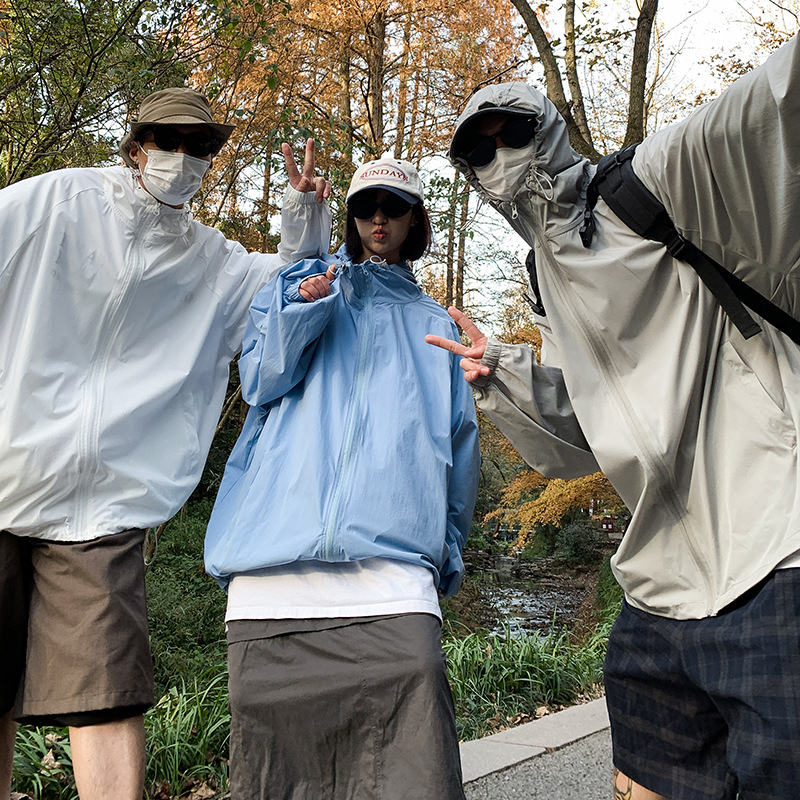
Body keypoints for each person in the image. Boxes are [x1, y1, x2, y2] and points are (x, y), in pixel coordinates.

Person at [427, 35, 800, 800]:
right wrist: (502, 375)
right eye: (478, 148)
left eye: (512, 132)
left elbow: (776, 98)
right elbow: (581, 444)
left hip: (778, 546)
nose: (499, 155)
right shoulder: (542, 277)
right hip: (660, 586)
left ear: (548, 130)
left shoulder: (661, 178)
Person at [0, 87, 331, 800]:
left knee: (108, 694)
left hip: (106, 507)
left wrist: (304, 219)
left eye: (200, 146)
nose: (183, 157)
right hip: (5, 473)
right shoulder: (58, 202)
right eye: (168, 141)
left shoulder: (210, 262)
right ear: (135, 145)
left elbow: (286, 291)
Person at [204, 156, 480, 800]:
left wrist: (446, 554)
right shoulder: (309, 289)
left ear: (415, 218)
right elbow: (260, 379)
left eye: (394, 206)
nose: (379, 218)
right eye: (364, 207)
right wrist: (306, 301)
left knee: (414, 779)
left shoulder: (439, 328)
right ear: (350, 218)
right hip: (272, 582)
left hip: (394, 583)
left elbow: (459, 453)